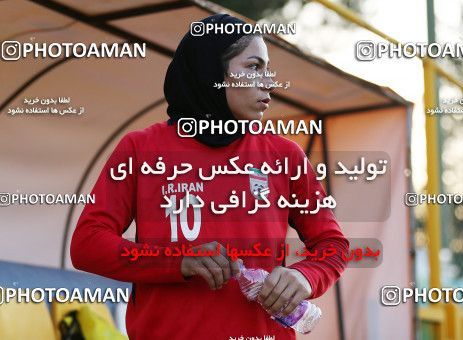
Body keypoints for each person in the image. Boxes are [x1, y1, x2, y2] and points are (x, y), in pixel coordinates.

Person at [71, 13, 349, 340]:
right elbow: (87, 244)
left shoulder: (285, 156)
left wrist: (306, 276)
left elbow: (333, 246)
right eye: (254, 67)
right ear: (211, 71)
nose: (268, 81)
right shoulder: (140, 149)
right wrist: (179, 261)